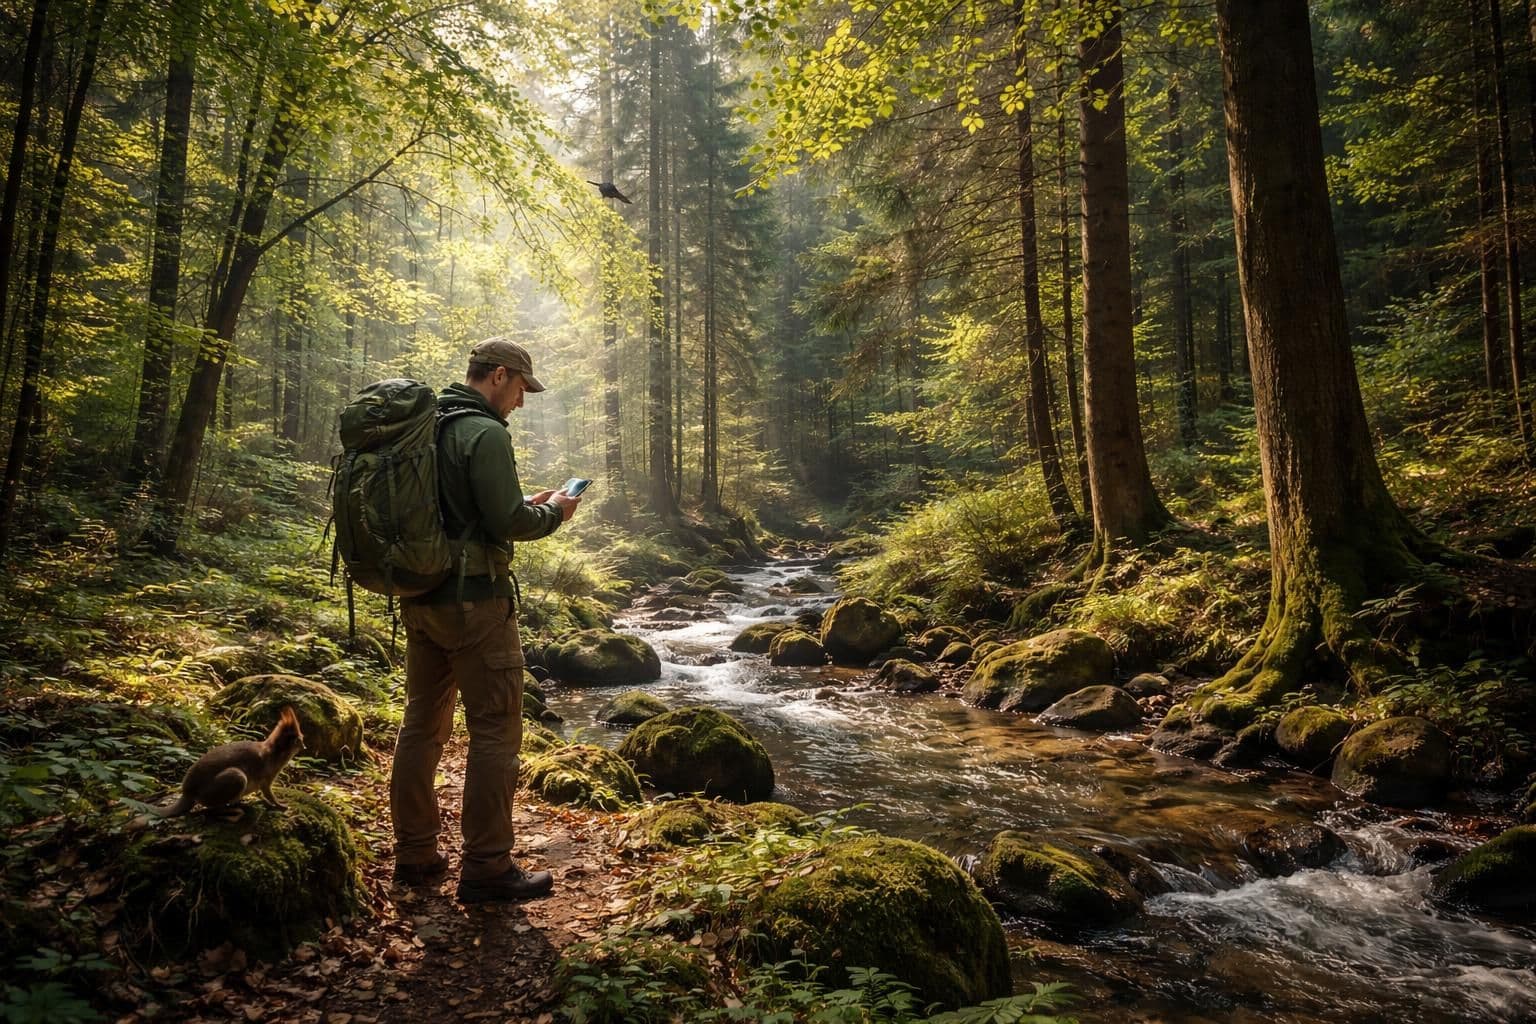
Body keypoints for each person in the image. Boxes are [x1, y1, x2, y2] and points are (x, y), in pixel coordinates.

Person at [389, 337, 580, 902]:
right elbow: (508, 522)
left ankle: (416, 853)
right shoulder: (485, 431)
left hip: (421, 597)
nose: (521, 402)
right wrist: (554, 513)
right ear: (499, 375)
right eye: (521, 388)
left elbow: (460, 509)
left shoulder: (426, 425)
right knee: (496, 730)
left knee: (421, 724)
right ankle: (488, 867)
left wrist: (524, 500)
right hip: (477, 604)